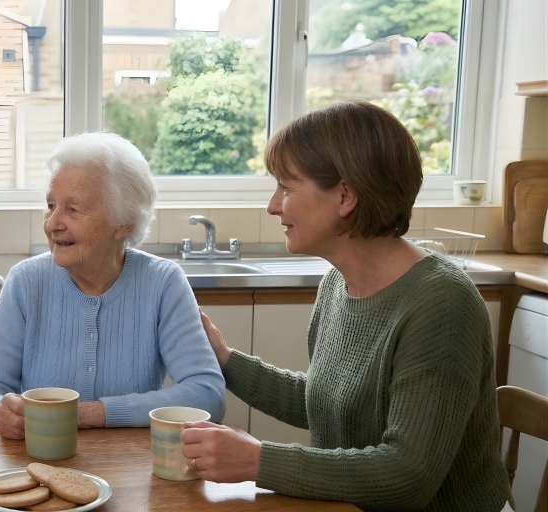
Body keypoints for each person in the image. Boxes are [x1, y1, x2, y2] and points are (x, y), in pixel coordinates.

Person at [180, 101, 512, 511]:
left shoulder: (442, 306)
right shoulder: (339, 282)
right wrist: (225, 360)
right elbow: (328, 401)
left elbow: (407, 475)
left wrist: (256, 460)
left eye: (286, 187)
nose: (273, 205)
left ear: (345, 195)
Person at [0, 132, 226, 437]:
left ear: (123, 223)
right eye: (51, 206)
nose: (52, 223)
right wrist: (0, 411)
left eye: (73, 210)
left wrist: (92, 414)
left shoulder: (163, 282)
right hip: (40, 463)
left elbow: (208, 394)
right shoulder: (26, 281)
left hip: (131, 469)